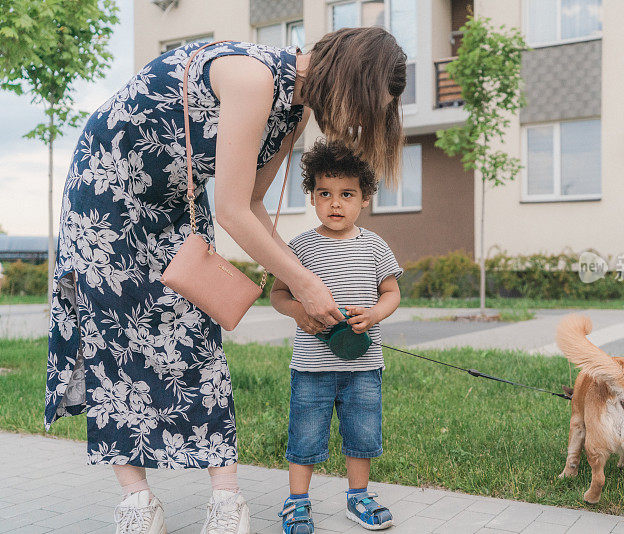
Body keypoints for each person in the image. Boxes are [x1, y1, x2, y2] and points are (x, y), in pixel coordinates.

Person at [45, 27, 406, 534]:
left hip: (175, 202)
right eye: (367, 106)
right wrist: (303, 284)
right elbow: (233, 211)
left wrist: (310, 281)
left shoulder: (296, 107)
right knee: (114, 344)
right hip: (106, 193)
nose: (359, 122)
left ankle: (226, 497)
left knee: (195, 332)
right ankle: (136, 499)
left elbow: (254, 202)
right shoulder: (253, 77)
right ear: (348, 81)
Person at [270, 140, 403, 533]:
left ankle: (358, 497)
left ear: (364, 199)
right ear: (311, 197)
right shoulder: (299, 248)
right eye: (325, 193)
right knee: (306, 433)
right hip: (312, 367)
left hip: (364, 366)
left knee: (362, 432)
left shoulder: (374, 246)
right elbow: (278, 294)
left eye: (347, 194)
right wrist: (299, 312)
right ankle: (297, 502)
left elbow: (392, 292)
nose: (335, 203)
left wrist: (376, 314)